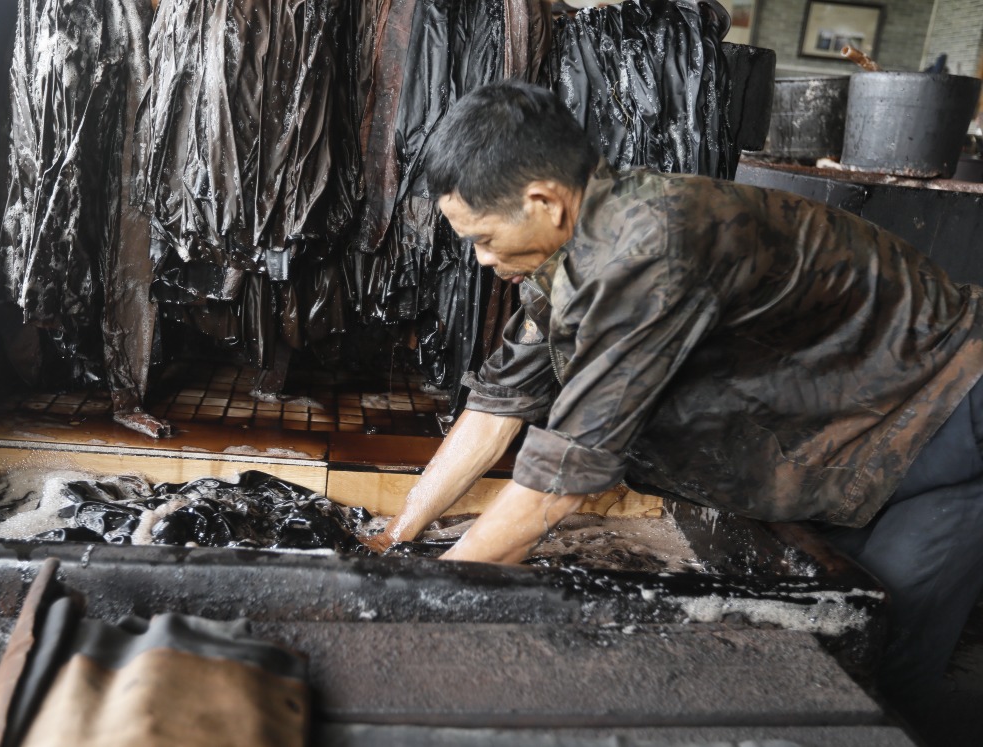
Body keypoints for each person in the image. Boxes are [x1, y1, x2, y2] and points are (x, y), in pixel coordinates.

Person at [358, 80, 983, 741]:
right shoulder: (572, 251)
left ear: (543, 201)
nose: (481, 259)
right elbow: (497, 406)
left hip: (944, 400)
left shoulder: (649, 247)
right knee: (826, 623)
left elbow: (558, 482)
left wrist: (419, 600)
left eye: (484, 238)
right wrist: (399, 533)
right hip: (846, 426)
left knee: (875, 655)